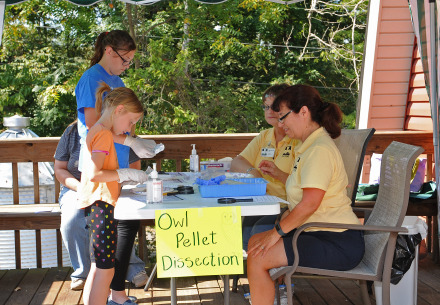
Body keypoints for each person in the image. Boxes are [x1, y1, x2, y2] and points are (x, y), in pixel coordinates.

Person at [246, 84, 365, 305]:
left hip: (336, 241)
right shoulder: (308, 147)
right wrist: (275, 231)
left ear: (303, 112)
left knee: (257, 255)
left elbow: (309, 204)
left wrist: (275, 234)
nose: (280, 124)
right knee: (255, 243)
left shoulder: (318, 150)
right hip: (316, 232)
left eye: (283, 117)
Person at [75, 30, 157, 305]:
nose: (127, 65)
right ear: (109, 50)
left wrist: (131, 152)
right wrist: (126, 163)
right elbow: (96, 134)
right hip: (101, 192)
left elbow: (110, 130)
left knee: (102, 265)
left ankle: (112, 298)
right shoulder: (90, 81)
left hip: (109, 186)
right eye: (125, 59)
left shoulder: (115, 83)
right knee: (104, 265)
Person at [54, 121, 149, 291]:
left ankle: (131, 267)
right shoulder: (71, 132)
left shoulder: (124, 132)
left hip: (116, 186)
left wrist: (117, 183)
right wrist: (80, 187)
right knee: (71, 220)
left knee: (122, 217)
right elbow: (60, 168)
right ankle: (82, 272)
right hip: (76, 188)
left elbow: (135, 169)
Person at [78, 83, 147, 305]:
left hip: (97, 204)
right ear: (119, 110)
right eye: (131, 122)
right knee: (106, 271)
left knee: (98, 268)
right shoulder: (103, 135)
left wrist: (123, 176)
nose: (129, 129)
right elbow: (95, 173)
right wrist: (123, 172)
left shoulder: (98, 130)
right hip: (102, 205)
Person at [230, 84, 300, 250]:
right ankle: (257, 272)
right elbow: (236, 162)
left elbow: (302, 183)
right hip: (261, 200)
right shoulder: (265, 136)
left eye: (274, 107)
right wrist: (253, 172)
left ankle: (270, 271)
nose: (269, 111)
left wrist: (278, 173)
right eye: (266, 107)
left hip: (286, 205)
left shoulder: (298, 139)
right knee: (243, 230)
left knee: (256, 232)